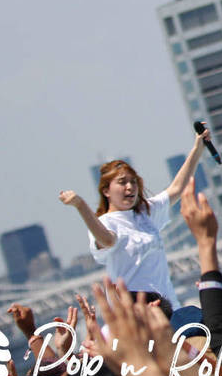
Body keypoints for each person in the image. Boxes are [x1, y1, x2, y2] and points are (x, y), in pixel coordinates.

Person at [58, 127, 212, 308]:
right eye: (122, 182)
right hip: (138, 312)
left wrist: (197, 149)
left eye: (133, 182)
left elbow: (176, 189)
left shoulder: (145, 212)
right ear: (106, 191)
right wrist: (80, 205)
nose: (130, 187)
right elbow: (107, 240)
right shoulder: (105, 223)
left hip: (169, 305)